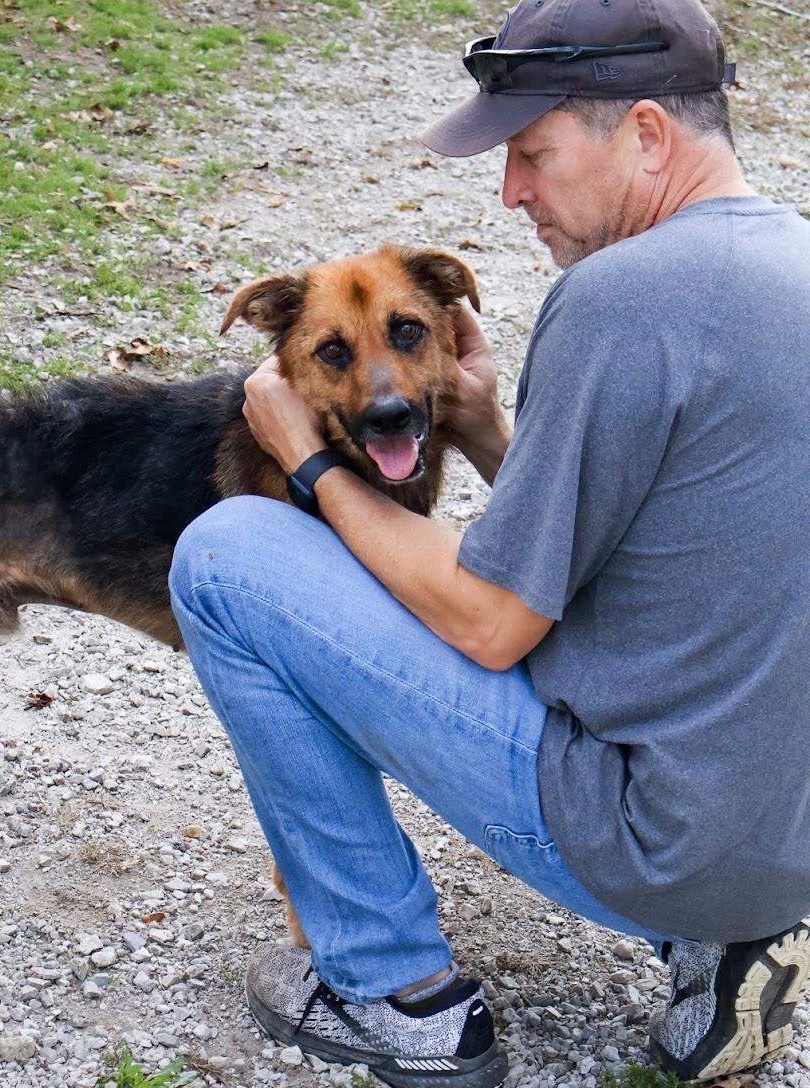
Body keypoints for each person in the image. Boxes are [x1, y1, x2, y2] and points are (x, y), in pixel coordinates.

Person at [167, 0, 810, 1081]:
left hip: (652, 839)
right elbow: (651, 540)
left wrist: (310, 461)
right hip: (777, 843)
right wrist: (477, 426)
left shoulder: (618, 298)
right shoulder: (787, 260)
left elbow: (489, 617)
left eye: (531, 154)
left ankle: (391, 990)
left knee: (228, 554)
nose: (511, 194)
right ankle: (724, 941)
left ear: (645, 134)